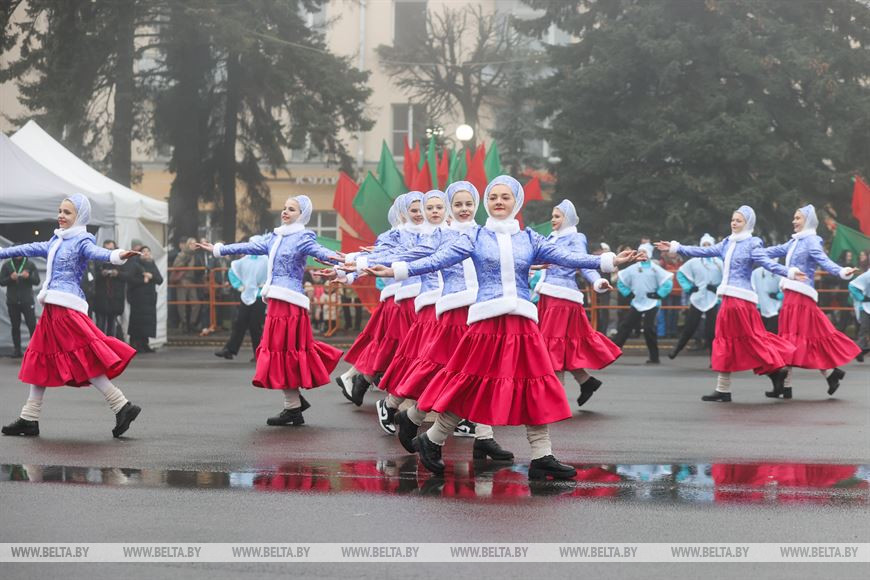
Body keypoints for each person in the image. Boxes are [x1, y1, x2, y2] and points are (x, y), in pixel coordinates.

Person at [366, 176, 639, 480]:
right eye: (493, 197)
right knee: (472, 385)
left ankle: (542, 454)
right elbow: (437, 259)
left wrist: (609, 260)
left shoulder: (530, 239)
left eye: (505, 197)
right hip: (487, 323)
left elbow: (567, 257)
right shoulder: (476, 237)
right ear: (487, 203)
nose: (498, 202)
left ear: (516, 202)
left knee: (535, 383)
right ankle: (433, 438)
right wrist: (396, 270)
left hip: (522, 322)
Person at [0, 194, 141, 438]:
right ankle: (29, 418)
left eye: (67, 212)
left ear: (80, 217)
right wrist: (3, 252)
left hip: (66, 309)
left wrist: (116, 255)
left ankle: (121, 405)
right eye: (60, 211)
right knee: (40, 357)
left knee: (83, 358)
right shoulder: (56, 241)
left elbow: (97, 252)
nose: (61, 216)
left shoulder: (81, 241)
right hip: (53, 307)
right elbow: (27, 248)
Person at [197, 195, 343, 426]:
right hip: (276, 300)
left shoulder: (303, 236)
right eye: (285, 208)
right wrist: (219, 249)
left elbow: (319, 251)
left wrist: (341, 261)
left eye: (292, 209)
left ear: (302, 214)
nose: (285, 212)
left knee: (284, 350)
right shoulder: (274, 237)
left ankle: (293, 406)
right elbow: (248, 246)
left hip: (290, 302)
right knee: (280, 350)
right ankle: (293, 405)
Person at [655, 205, 803, 402]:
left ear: (748, 223)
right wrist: (676, 247)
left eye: (739, 220)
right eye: (733, 220)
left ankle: (775, 370)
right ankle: (724, 388)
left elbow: (768, 263)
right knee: (726, 340)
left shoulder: (753, 244)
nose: (734, 223)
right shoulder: (726, 243)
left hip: (741, 300)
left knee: (750, 339)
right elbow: (702, 251)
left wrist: (790, 272)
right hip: (728, 298)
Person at [764, 204, 859, 398]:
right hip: (791, 295)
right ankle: (828, 374)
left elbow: (823, 261)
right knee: (795, 338)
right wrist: (749, 249)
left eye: (797, 218)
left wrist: (841, 271)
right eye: (794, 217)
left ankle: (789, 386)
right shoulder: (793, 242)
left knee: (795, 339)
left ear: (807, 220)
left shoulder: (811, 241)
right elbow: (772, 251)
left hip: (801, 297)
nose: (793, 221)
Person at [534, 199, 621, 407]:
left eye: (557, 216)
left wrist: (598, 281)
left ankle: (555, 400)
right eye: (552, 216)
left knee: (552, 347)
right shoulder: (552, 237)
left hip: (562, 299)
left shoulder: (575, 237)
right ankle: (585, 381)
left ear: (568, 218)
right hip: (550, 297)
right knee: (561, 346)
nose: (552, 220)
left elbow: (585, 263)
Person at [612, 243, 674, 364]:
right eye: (640, 251)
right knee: (625, 327)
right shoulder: (633, 268)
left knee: (648, 329)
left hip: (652, 303)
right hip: (636, 303)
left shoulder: (655, 268)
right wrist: (628, 293)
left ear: (649, 254)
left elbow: (668, 282)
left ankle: (654, 357)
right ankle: (611, 353)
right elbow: (621, 281)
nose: (642, 254)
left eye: (644, 252)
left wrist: (659, 294)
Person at [214, 236, 268, 361]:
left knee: (255, 326)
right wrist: (239, 286)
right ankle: (230, 349)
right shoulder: (246, 260)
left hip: (260, 297)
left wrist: (265, 286)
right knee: (239, 323)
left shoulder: (266, 260)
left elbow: (274, 274)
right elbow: (233, 270)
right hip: (247, 295)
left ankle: (259, 354)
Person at [669, 234, 722, 359]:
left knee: (711, 331)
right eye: (704, 245)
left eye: (709, 244)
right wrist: (689, 288)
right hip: (697, 299)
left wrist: (717, 288)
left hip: (713, 300)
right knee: (690, 327)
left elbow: (727, 279)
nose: (706, 247)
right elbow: (680, 274)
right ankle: (677, 349)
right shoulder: (694, 262)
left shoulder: (719, 263)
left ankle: (713, 358)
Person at [0, 253, 40, 358]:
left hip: (27, 301)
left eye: (20, 252)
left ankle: (35, 349)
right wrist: (10, 278)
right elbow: (1, 282)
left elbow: (37, 281)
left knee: (32, 325)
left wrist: (29, 277)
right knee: (15, 326)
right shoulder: (7, 265)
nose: (18, 255)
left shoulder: (30, 264)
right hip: (12, 302)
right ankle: (17, 350)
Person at [127, 246, 164, 354]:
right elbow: (130, 280)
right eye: (144, 251)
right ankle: (135, 344)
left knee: (147, 322)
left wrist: (151, 276)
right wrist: (143, 280)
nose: (146, 253)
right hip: (138, 298)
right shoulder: (135, 264)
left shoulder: (151, 264)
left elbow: (160, 280)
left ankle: (145, 343)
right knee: (137, 322)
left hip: (150, 298)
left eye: (148, 251)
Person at [92, 240, 129, 339]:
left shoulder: (121, 261)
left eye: (111, 249)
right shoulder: (97, 260)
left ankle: (111, 347)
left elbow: (128, 276)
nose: (109, 251)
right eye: (107, 249)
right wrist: (101, 274)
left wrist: (117, 274)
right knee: (100, 325)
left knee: (112, 325)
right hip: (101, 298)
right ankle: (100, 347)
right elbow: (91, 276)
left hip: (115, 298)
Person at [172, 237, 202, 334]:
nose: (193, 245)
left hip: (192, 280)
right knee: (182, 303)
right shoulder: (183, 254)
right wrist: (185, 262)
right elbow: (176, 265)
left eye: (195, 244)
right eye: (191, 244)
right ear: (188, 245)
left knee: (196, 303)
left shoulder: (196, 255)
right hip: (183, 280)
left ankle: (192, 323)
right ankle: (184, 323)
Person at [751, 265, 783, 333]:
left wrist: (777, 296)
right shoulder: (755, 273)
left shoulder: (779, 273)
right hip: (760, 311)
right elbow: (752, 290)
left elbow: (784, 293)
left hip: (775, 311)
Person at [848, 270, 870, 362]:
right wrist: (862, 298)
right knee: (864, 329)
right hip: (866, 307)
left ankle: (862, 349)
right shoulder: (867, 275)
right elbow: (852, 286)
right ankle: (861, 349)